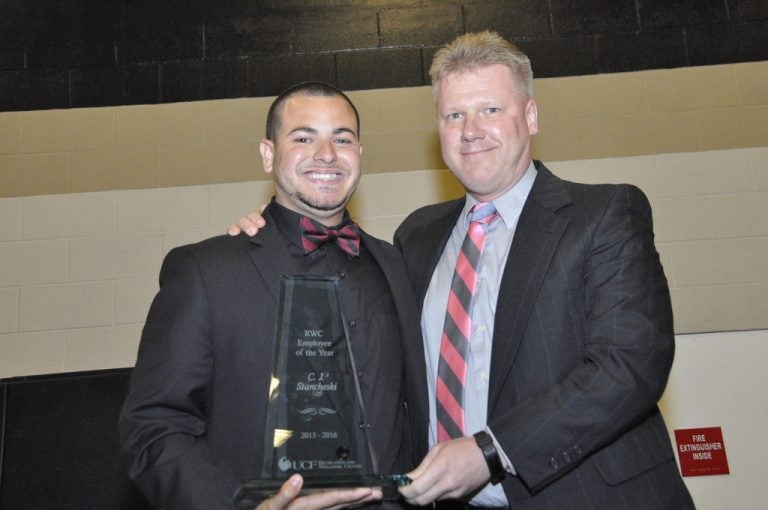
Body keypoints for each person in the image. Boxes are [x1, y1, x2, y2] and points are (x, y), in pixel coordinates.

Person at [231, 31, 695, 509]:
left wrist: (491, 451)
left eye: (490, 110)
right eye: (455, 114)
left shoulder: (603, 214)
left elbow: (628, 367)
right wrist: (272, 233)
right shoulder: (417, 237)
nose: (471, 129)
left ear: (530, 117)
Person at [119, 81, 428, 510]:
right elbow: (153, 427)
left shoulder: (396, 264)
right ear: (268, 155)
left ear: (360, 153)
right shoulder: (207, 271)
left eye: (343, 139)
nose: (326, 154)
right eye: (304, 138)